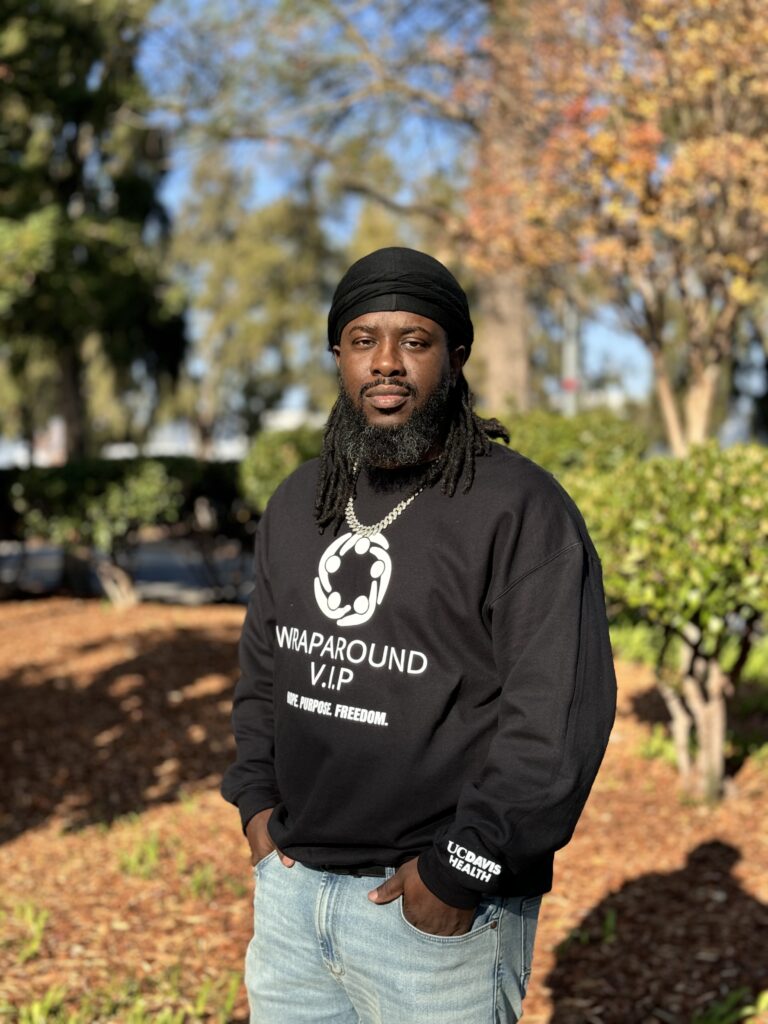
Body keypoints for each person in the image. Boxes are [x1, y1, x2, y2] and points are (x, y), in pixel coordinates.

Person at [222, 246, 616, 1024]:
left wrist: (459, 874)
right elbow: (263, 673)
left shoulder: (518, 508)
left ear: (456, 355)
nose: (388, 363)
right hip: (295, 899)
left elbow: (556, 723)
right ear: (339, 356)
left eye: (416, 340)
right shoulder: (302, 500)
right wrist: (257, 808)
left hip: (434, 920)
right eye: (364, 340)